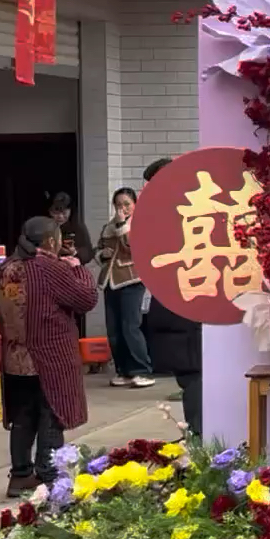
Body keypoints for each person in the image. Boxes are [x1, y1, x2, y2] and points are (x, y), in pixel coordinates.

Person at [0, 216, 99, 496]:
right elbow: (86, 298)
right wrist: (78, 268)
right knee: (52, 414)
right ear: (51, 241)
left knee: (23, 417)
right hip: (50, 356)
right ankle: (49, 474)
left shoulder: (2, 270)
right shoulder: (51, 269)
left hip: (15, 358)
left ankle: (20, 475)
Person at [140, 157, 203, 436]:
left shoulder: (181, 212)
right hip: (178, 308)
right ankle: (201, 439)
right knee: (193, 377)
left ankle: (202, 438)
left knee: (195, 378)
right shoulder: (162, 215)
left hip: (188, 306)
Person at [96, 187, 154, 388]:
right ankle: (124, 370)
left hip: (132, 280)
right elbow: (99, 249)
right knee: (114, 329)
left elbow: (133, 247)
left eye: (127, 204)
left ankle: (142, 370)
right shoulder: (108, 226)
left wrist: (122, 225)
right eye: (118, 204)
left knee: (130, 326)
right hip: (110, 281)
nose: (123, 208)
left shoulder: (140, 224)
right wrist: (102, 254)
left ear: (135, 205)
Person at [48, 193, 92, 336]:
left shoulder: (77, 227)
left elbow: (88, 253)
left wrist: (75, 252)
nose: (60, 216)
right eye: (56, 212)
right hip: (50, 276)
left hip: (71, 277)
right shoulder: (45, 228)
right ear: (50, 211)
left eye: (64, 212)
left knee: (72, 316)